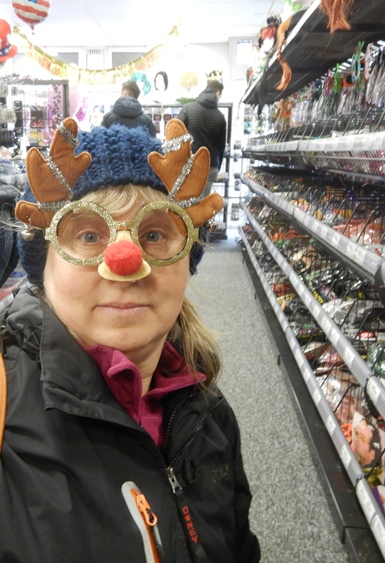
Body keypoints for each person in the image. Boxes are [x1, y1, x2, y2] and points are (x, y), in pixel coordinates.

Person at [1, 117, 261, 562]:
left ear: (187, 261)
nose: (125, 263)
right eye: (88, 235)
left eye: (154, 235)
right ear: (44, 267)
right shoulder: (6, 414)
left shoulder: (210, 415)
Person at [177, 79, 227, 199]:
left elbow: (175, 132)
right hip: (210, 165)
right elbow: (221, 147)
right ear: (218, 93)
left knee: (185, 202)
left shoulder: (188, 109)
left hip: (189, 162)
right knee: (201, 204)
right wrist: (217, 167)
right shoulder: (220, 117)